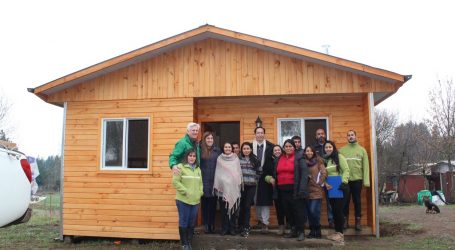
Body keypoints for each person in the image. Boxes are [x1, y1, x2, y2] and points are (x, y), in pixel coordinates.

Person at [265, 139, 309, 241]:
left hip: (295, 190)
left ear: (294, 148)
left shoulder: (299, 158)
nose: (288, 148)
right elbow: (275, 173)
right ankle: (293, 230)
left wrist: (302, 189)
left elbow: (304, 175)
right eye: (286, 146)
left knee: (298, 211)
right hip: (282, 190)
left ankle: (301, 231)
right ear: (283, 148)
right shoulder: (279, 159)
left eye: (290, 146)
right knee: (288, 211)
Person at [172, 149, 203, 250]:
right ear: (186, 157)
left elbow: (200, 184)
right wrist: (185, 191)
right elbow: (175, 182)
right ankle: (184, 244)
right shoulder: (180, 167)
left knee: (191, 222)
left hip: (195, 201)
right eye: (190, 156)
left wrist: (200, 193)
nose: (192, 158)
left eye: (194, 156)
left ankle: (189, 242)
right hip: (183, 200)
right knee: (184, 221)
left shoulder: (198, 169)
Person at [340, 130, 370, 231]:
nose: (350, 137)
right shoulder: (342, 151)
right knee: (345, 201)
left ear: (356, 136)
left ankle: (358, 222)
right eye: (348, 135)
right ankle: (345, 222)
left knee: (357, 201)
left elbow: (365, 167)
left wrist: (366, 181)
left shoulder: (362, 150)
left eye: (352, 135)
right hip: (346, 181)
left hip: (357, 180)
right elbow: (339, 167)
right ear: (347, 137)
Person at [213, 142, 242, 236]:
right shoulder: (219, 159)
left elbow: (238, 173)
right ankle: (224, 229)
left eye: (229, 147)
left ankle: (232, 228)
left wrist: (234, 181)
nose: (228, 148)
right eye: (226, 147)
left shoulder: (236, 158)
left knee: (233, 211)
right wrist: (223, 181)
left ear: (231, 148)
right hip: (223, 189)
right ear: (223, 148)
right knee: (224, 211)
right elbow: (218, 173)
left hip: (233, 188)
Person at [324, 140, 349, 245]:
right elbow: (324, 175)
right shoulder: (326, 160)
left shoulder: (339, 157)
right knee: (334, 211)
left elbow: (346, 170)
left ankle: (341, 234)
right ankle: (337, 232)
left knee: (338, 211)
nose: (328, 149)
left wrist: (344, 182)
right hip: (331, 189)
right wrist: (325, 183)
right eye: (326, 147)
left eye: (330, 147)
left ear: (333, 148)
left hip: (341, 188)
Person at [252, 126, 274, 234]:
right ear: (255, 134)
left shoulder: (270, 146)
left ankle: (265, 223)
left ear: (264, 134)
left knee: (264, 200)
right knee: (256, 200)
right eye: (258, 133)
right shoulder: (250, 146)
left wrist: (271, 176)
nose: (260, 134)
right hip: (253, 176)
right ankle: (260, 221)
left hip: (266, 177)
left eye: (261, 133)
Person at [200, 131, 222, 234]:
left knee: (213, 205)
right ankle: (206, 225)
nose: (210, 140)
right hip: (202, 181)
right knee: (204, 205)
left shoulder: (217, 151)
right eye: (208, 138)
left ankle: (212, 225)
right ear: (204, 140)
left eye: (211, 139)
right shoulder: (199, 150)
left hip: (214, 181)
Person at [303, 145, 327, 239]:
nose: (309, 152)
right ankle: (313, 231)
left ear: (313, 152)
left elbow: (324, 173)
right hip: (307, 191)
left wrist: (319, 182)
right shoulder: (303, 162)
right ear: (305, 152)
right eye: (307, 151)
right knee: (309, 212)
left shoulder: (318, 161)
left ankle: (318, 228)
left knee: (314, 211)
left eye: (310, 151)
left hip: (316, 190)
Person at [312, 128, 334, 228]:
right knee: (317, 201)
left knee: (330, 201)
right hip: (318, 179)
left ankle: (331, 221)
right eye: (318, 134)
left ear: (325, 135)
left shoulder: (330, 146)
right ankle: (316, 223)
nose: (320, 135)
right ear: (316, 136)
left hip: (330, 178)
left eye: (322, 134)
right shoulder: (313, 148)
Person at [238, 142, 260, 237]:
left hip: (251, 186)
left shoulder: (255, 159)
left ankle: (246, 227)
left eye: (248, 148)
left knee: (247, 206)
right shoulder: (238, 160)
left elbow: (260, 171)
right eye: (244, 149)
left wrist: (254, 179)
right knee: (242, 206)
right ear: (242, 150)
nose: (246, 150)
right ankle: (241, 226)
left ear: (251, 150)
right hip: (241, 187)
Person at [271, 144, 287, 235]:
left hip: (285, 187)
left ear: (281, 150)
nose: (277, 151)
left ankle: (289, 226)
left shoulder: (285, 159)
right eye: (275, 150)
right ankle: (281, 226)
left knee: (288, 207)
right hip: (276, 189)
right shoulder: (270, 161)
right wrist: (269, 178)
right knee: (279, 208)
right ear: (273, 152)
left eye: (278, 150)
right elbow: (266, 173)